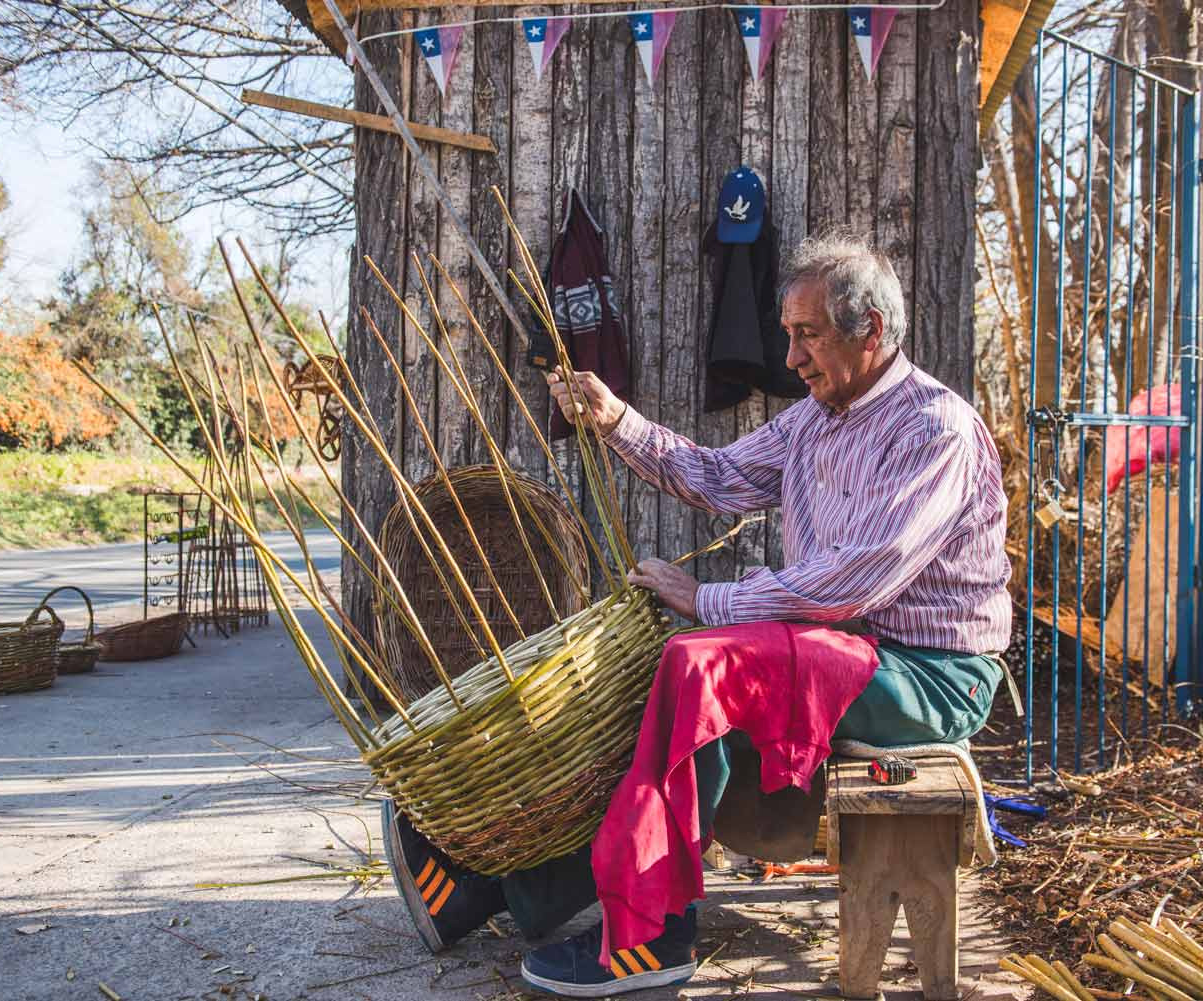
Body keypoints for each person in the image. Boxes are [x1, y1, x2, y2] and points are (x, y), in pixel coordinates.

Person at [381, 232, 1013, 997]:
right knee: (668, 666)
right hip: (839, 647)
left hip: (928, 673)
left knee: (701, 659)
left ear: (870, 331)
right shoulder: (815, 418)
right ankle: (508, 888)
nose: (791, 358)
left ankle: (655, 933)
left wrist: (707, 598)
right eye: (789, 335)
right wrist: (617, 422)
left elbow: (856, 575)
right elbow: (717, 475)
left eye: (807, 335)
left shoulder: (933, 429)